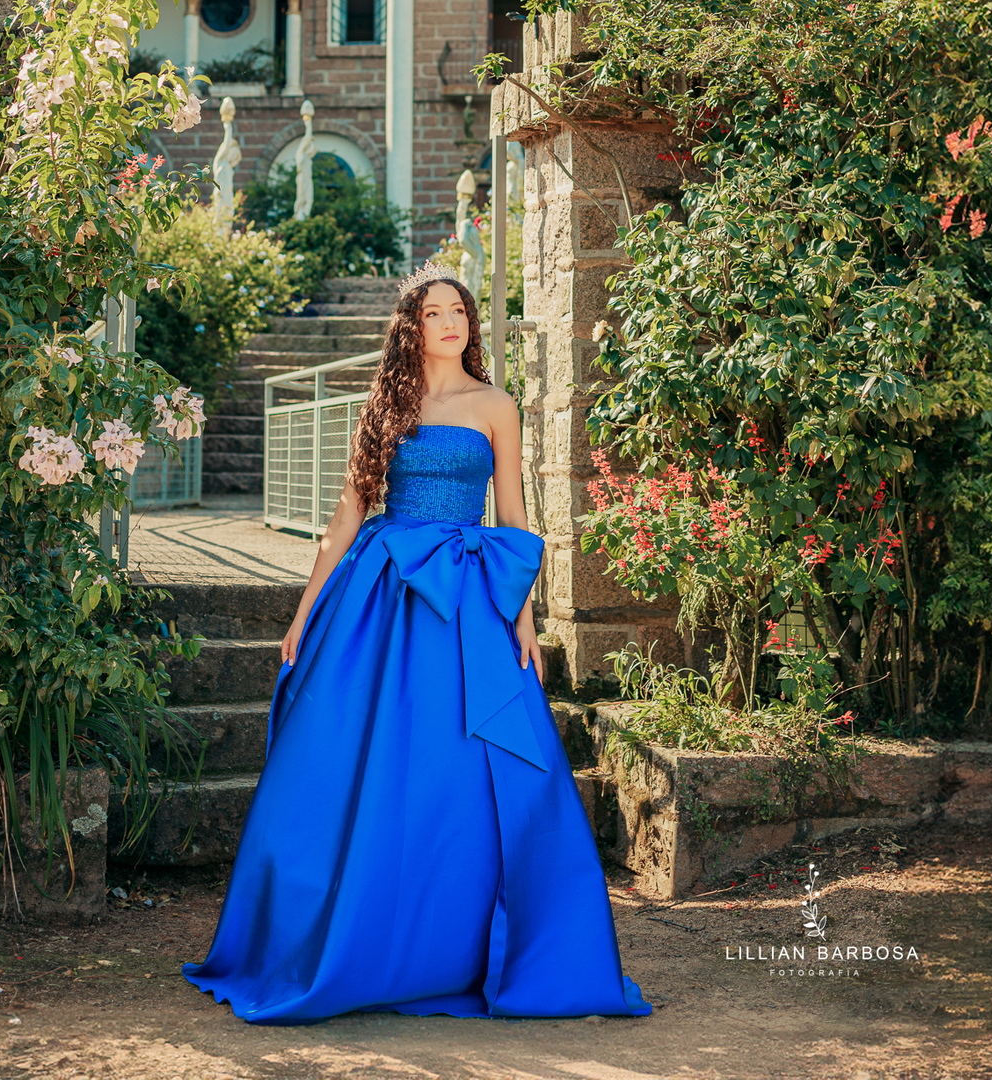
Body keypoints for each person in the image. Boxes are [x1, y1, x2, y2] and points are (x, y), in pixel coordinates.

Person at [182, 261, 650, 1023]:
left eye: (458, 309)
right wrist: (302, 614)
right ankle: (356, 940)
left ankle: (470, 950)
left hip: (467, 597)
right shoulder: (384, 405)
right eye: (434, 312)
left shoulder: (498, 404)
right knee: (362, 762)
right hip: (382, 592)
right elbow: (345, 519)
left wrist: (523, 623)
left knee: (476, 769)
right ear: (413, 328)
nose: (450, 320)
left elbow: (512, 522)